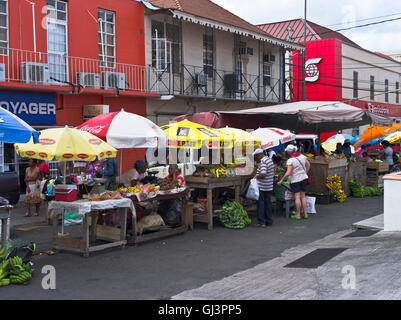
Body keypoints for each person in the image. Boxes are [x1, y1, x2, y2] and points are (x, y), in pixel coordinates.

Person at [277, 145, 310, 220]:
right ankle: (305, 214)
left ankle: (298, 215)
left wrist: (281, 180)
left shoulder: (290, 160)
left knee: (297, 197)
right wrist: (305, 173)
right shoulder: (302, 156)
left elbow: (288, 173)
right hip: (304, 178)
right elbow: (308, 164)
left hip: (295, 179)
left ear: (288, 152)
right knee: (303, 196)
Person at [253, 148, 274, 227]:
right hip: (268, 186)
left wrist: (255, 177)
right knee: (267, 203)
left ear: (259, 155)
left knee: (261, 204)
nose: (256, 158)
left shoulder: (263, 161)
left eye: (256, 156)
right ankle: (269, 221)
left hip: (262, 186)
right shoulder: (269, 160)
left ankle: (261, 222)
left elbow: (263, 174)